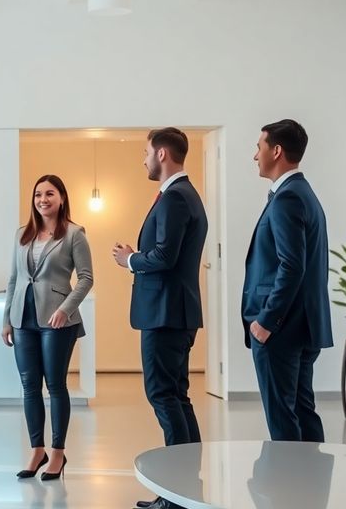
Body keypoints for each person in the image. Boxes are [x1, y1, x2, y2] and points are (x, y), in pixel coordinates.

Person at [111, 127, 207, 509]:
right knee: (176, 397)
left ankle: (177, 495)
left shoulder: (175, 197)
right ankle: (185, 491)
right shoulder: (185, 195)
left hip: (166, 314)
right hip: (174, 312)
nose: (145, 159)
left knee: (164, 396)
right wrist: (138, 255)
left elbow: (165, 257)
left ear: (162, 154)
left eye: (146, 152)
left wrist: (131, 260)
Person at [243, 119, 332, 442]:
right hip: (302, 325)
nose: (256, 155)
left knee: (283, 420)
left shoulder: (287, 198)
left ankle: (289, 477)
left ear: (276, 151)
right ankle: (312, 476)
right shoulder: (302, 193)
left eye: (259, 147)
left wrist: (266, 321)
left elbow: (292, 266)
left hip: (281, 328)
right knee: (303, 411)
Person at [1, 174, 93, 481]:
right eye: (38, 194)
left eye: (50, 193)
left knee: (55, 385)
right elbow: (14, 279)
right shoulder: (22, 234)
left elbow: (86, 278)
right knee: (29, 386)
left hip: (57, 320)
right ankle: (36, 450)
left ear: (62, 198)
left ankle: (57, 453)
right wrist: (6, 319)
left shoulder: (75, 234)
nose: (43, 199)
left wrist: (65, 309)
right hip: (23, 318)